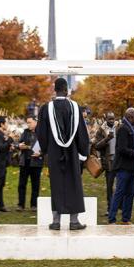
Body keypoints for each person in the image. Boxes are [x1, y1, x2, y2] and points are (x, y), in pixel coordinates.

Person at [36, 78, 91, 230]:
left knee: (57, 184)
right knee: (73, 183)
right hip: (72, 152)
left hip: (54, 152)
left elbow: (40, 133)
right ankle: (74, 221)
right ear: (66, 90)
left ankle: (56, 221)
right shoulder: (75, 107)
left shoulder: (46, 108)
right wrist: (83, 152)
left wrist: (46, 150)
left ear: (55, 90)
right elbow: (81, 132)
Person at [107, 107, 134, 225]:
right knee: (119, 192)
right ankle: (112, 218)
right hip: (123, 167)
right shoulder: (123, 128)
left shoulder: (132, 128)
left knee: (130, 193)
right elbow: (122, 149)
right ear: (130, 116)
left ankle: (126, 218)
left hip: (132, 167)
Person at [93, 112, 118, 216]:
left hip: (119, 160)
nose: (111, 121)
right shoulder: (101, 130)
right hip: (108, 162)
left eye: (113, 119)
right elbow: (97, 146)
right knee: (109, 186)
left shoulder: (119, 127)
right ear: (106, 119)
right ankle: (110, 208)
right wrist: (107, 138)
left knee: (120, 185)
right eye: (109, 119)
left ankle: (119, 206)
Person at [17, 116, 42, 212]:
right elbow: (19, 143)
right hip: (25, 162)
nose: (28, 124)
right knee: (22, 184)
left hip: (36, 162)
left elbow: (46, 146)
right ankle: (20, 205)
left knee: (35, 185)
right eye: (27, 122)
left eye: (29, 122)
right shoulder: (25, 132)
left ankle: (34, 205)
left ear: (35, 122)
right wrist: (20, 146)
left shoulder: (41, 132)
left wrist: (40, 153)